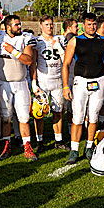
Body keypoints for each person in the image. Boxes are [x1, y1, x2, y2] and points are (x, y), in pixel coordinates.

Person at [61, 12, 104, 165]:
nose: (92, 27)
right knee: (78, 117)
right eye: (89, 24)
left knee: (93, 116)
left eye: (94, 24)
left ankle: (88, 146)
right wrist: (65, 86)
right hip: (80, 82)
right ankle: (74, 149)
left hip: (98, 81)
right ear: (83, 25)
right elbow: (66, 64)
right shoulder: (75, 41)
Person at [0, 15, 37, 160]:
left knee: (24, 117)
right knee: (6, 117)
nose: (19, 26)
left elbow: (29, 60)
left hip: (20, 83)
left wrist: (13, 51)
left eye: (19, 24)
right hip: (2, 83)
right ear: (7, 27)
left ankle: (27, 146)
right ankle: (6, 145)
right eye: (16, 24)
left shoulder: (26, 37)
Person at [33, 15, 68, 151]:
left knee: (58, 112)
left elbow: (67, 60)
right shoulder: (37, 41)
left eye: (51, 24)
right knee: (39, 112)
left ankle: (58, 140)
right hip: (43, 81)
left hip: (57, 80)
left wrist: (58, 47)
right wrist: (34, 82)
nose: (49, 27)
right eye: (46, 24)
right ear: (41, 26)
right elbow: (33, 63)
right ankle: (39, 141)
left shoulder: (60, 39)